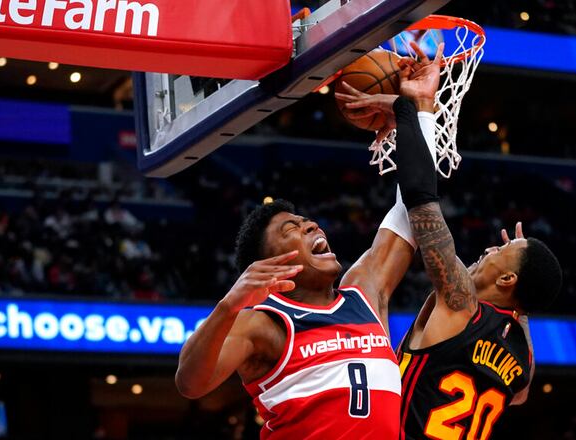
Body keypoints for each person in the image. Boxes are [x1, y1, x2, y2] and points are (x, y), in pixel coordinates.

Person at [174, 49, 444, 440]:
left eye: (307, 221)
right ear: (275, 263)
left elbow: (413, 206)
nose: (311, 225)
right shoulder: (263, 323)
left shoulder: (364, 293)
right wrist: (230, 304)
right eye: (292, 230)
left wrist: (420, 108)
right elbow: (190, 383)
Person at [339, 45, 562, 439]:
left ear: (508, 281)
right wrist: (521, 299)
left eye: (502, 251)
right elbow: (522, 394)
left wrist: (414, 110)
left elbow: (419, 201)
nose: (492, 248)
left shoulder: (462, 304)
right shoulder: (520, 362)